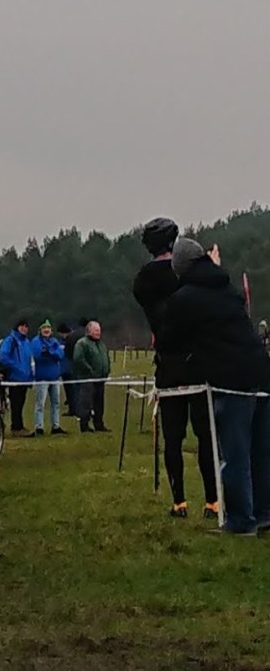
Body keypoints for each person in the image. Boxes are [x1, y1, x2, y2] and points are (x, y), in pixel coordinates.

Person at [163, 238, 270, 535]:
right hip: (261, 370)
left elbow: (170, 339)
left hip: (232, 379)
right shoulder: (227, 287)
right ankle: (264, 514)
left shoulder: (184, 299)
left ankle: (241, 521)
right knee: (261, 450)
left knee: (234, 453)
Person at [133, 218, 218, 519]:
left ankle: (179, 502)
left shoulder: (143, 280)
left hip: (168, 365)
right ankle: (212, 501)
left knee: (173, 438)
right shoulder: (186, 275)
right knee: (206, 435)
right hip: (198, 363)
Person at [0, 317, 33, 434]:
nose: (24, 329)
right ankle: (16, 427)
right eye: (22, 326)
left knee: (21, 403)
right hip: (14, 378)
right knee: (16, 404)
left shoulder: (26, 342)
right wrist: (16, 367)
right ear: (17, 327)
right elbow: (3, 357)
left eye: (26, 326)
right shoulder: (10, 340)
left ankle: (19, 426)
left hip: (24, 379)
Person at [74, 320, 111, 432]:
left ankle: (99, 424)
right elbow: (78, 359)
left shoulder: (101, 344)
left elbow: (106, 357)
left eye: (99, 330)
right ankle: (84, 425)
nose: (98, 332)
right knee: (86, 403)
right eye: (96, 330)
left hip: (101, 378)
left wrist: (107, 369)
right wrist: (90, 370)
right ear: (89, 331)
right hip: (88, 379)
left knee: (99, 403)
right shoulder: (82, 343)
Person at [30, 319, 65, 436]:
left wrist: (50, 352)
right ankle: (39, 427)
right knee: (40, 404)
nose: (46, 330)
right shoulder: (36, 341)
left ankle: (56, 425)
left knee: (56, 403)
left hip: (55, 377)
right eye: (44, 328)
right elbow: (38, 355)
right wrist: (51, 352)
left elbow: (60, 355)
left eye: (48, 328)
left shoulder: (54, 341)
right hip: (42, 377)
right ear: (40, 330)